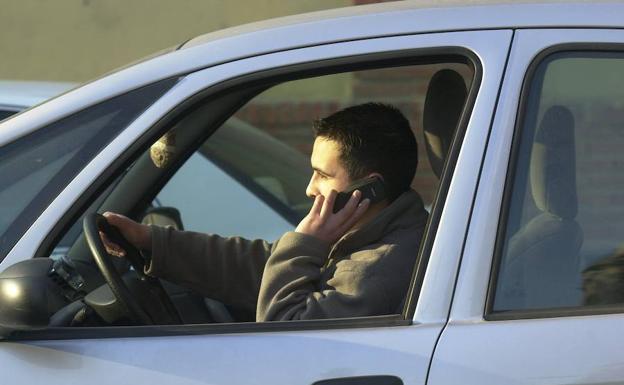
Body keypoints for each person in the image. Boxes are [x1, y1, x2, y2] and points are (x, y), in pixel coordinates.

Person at [102, 102, 429, 322]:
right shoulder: (371, 234)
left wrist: (307, 243)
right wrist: (151, 240)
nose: (310, 188)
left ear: (369, 189)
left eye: (324, 175)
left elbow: (283, 328)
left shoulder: (376, 270)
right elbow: (263, 266)